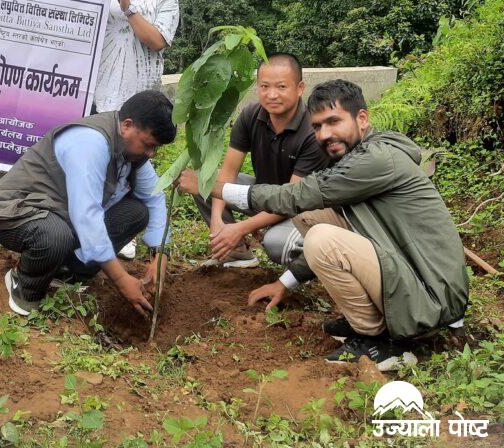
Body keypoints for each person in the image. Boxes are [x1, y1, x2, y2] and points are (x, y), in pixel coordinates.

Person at [174, 80, 469, 371]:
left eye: (333, 121)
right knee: (312, 216)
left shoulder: (376, 160)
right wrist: (284, 282)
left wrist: (212, 187)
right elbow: (307, 204)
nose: (325, 134)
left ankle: (380, 341)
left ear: (362, 118)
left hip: (432, 297)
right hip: (411, 273)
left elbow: (296, 195)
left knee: (320, 237)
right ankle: (375, 321)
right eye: (317, 126)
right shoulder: (362, 153)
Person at [0, 90, 177, 317]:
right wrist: (121, 279)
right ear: (127, 125)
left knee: (136, 213)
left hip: (61, 215)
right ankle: (25, 285)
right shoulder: (90, 142)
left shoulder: (132, 152)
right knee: (54, 236)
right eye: (148, 145)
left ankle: (67, 273)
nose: (151, 154)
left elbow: (154, 197)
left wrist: (159, 255)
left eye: (155, 148)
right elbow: (87, 217)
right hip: (17, 212)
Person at [180, 53, 330, 269]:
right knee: (204, 182)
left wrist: (242, 227)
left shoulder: (312, 132)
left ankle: (311, 263)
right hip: (263, 195)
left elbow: (291, 201)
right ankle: (238, 253)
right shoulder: (251, 115)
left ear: (300, 88)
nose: (272, 95)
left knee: (276, 244)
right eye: (264, 86)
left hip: (302, 208)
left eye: (281, 87)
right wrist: (216, 219)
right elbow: (228, 173)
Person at [94, 0, 179, 259]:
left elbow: (157, 41)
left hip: (138, 94)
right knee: (104, 158)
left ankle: (125, 230)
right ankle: (105, 223)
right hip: (102, 89)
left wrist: (129, 9)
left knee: (133, 160)